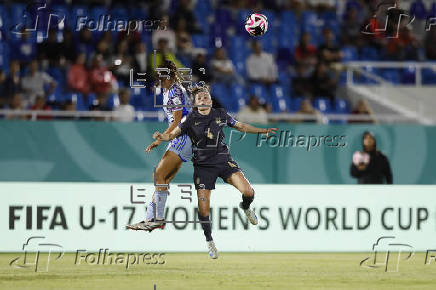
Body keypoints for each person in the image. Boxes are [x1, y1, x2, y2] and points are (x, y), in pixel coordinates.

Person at [151, 86, 277, 259]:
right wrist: (161, 137)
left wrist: (263, 131)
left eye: (206, 97)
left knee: (248, 192)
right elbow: (172, 135)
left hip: (223, 161)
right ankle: (210, 242)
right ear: (195, 103)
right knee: (203, 208)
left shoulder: (220, 114)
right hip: (203, 166)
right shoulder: (189, 119)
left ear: (210, 101)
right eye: (200, 98)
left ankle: (246, 207)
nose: (203, 99)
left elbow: (240, 126)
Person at [127, 60, 192, 232]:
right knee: (162, 180)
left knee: (159, 174)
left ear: (169, 76)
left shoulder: (175, 91)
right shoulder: (169, 90)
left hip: (184, 135)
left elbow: (179, 120)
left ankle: (159, 219)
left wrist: (162, 138)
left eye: (162, 77)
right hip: (179, 136)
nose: (159, 80)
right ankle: (149, 218)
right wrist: (163, 139)